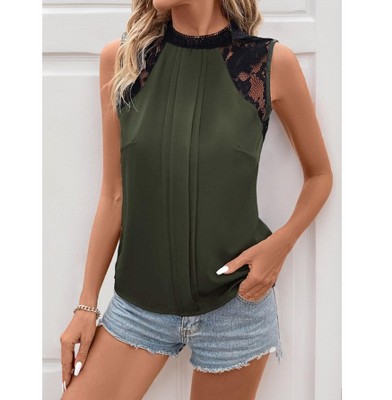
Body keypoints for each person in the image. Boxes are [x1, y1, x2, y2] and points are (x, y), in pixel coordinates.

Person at [59, 0, 333, 399]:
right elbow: (115, 195)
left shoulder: (269, 63)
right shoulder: (124, 60)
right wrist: (86, 306)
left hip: (236, 307)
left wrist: (280, 246)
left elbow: (320, 176)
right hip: (139, 308)